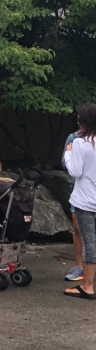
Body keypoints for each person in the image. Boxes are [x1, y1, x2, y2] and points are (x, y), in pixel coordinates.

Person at [64, 104, 96, 299]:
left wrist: (68, 153)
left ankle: (88, 285)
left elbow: (75, 171)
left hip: (85, 200)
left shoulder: (79, 143)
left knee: (89, 242)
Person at [63, 131, 87, 281]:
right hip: (78, 185)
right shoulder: (74, 137)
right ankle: (80, 267)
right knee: (77, 227)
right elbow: (65, 164)